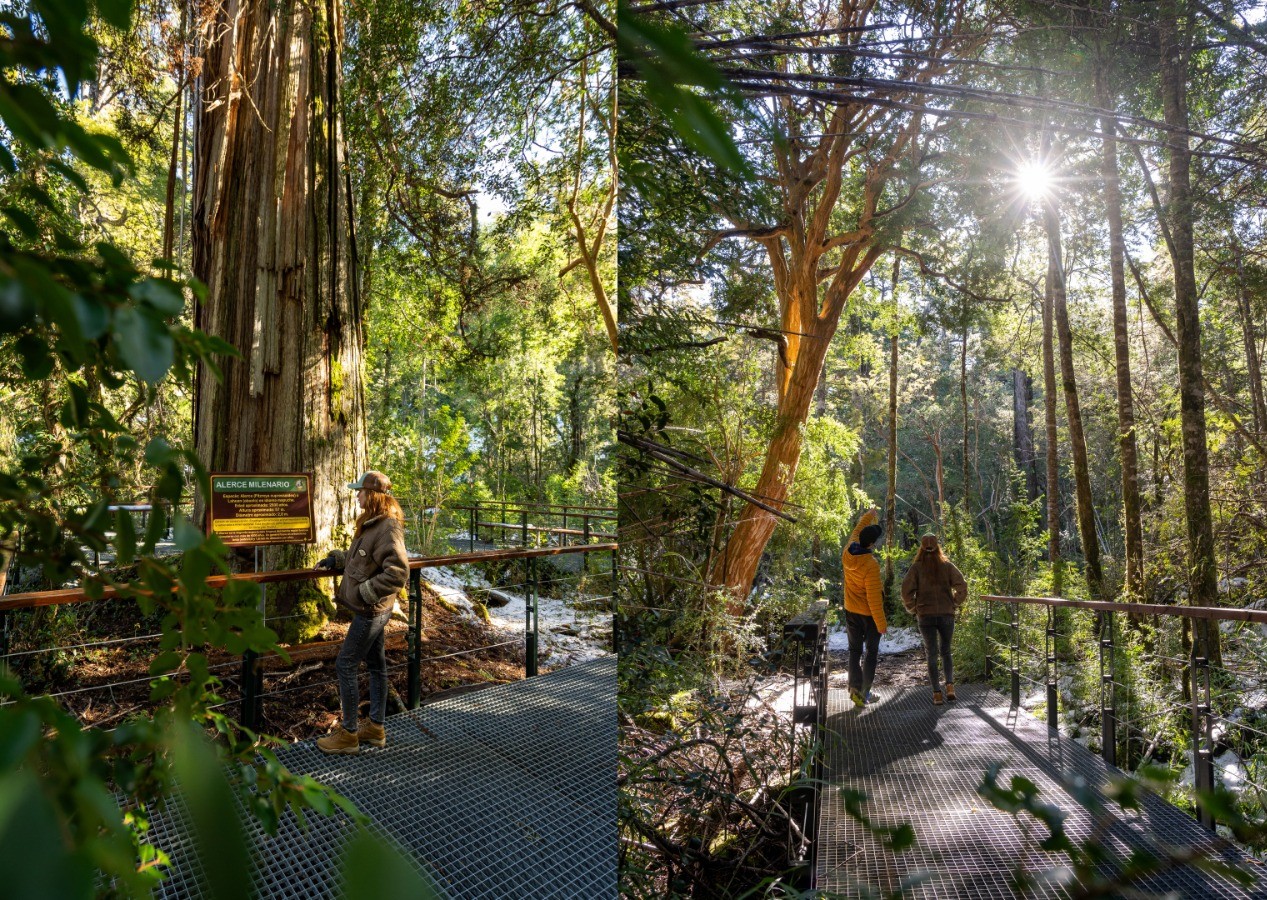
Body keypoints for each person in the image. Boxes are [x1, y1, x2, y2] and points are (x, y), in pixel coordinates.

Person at [315, 471, 409, 754]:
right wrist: (338, 559)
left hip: (371, 611)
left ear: (374, 495)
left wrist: (365, 592)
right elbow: (365, 558)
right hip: (373, 609)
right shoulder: (372, 524)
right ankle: (376, 728)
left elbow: (398, 572)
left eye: (361, 491)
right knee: (377, 666)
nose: (357, 495)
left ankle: (349, 734)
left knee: (345, 665)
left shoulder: (388, 528)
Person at [901, 533, 968, 705]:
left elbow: (905, 591)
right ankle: (950, 687)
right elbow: (962, 586)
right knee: (945, 651)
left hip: (925, 616)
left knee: (931, 653)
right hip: (946, 614)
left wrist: (913, 607)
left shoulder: (916, 568)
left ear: (921, 548)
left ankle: (937, 694)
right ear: (938, 546)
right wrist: (954, 602)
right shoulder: (947, 566)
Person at [842, 507, 886, 707]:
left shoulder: (848, 549)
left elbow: (859, 528)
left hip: (851, 610)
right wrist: (881, 623)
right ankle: (865, 693)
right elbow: (874, 598)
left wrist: (869, 515)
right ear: (872, 543)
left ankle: (854, 688)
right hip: (868, 615)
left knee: (854, 651)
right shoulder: (870, 565)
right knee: (871, 653)